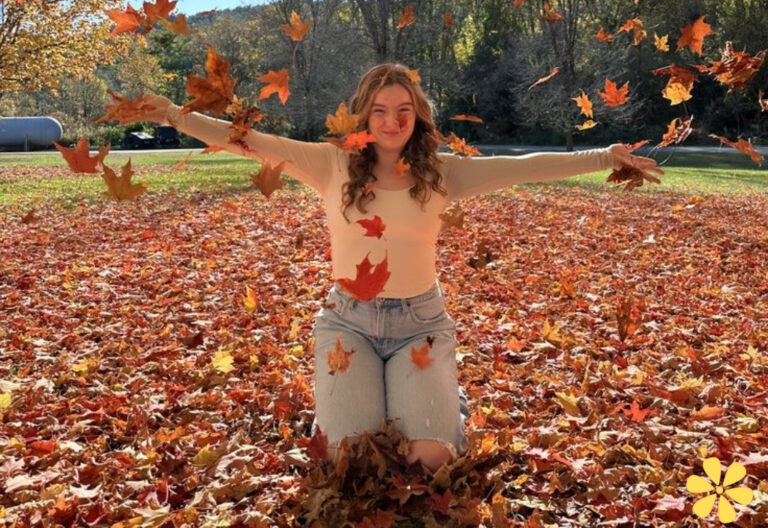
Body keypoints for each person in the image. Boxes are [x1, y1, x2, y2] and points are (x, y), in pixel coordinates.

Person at [126, 63, 663, 473]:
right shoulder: (329, 164)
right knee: (346, 459)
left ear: (417, 115)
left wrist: (603, 156)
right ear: (365, 116)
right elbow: (243, 140)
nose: (392, 121)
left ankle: (442, 400)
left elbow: (523, 168)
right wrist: (174, 115)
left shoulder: (440, 172)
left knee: (428, 461)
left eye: (403, 110)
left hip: (420, 325)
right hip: (348, 323)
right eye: (380, 111)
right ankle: (349, 404)